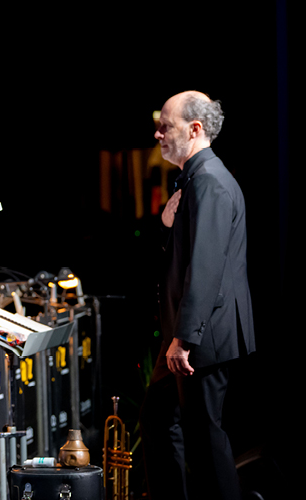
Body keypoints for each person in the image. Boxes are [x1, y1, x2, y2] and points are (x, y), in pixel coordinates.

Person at [140, 91, 255, 500]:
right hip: (188, 333)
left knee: (205, 437)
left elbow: (206, 269)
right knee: (158, 418)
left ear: (195, 129)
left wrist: (185, 339)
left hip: (200, 336)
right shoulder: (196, 179)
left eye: (165, 126)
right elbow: (187, 255)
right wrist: (169, 226)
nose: (157, 133)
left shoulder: (208, 181)